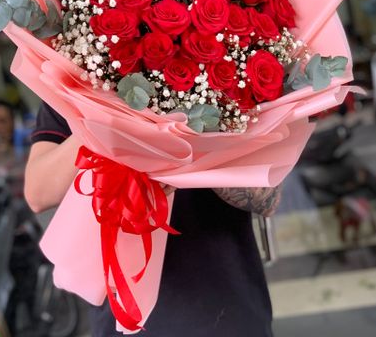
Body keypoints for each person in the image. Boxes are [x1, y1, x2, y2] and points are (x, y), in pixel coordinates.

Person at [26, 102, 282, 337]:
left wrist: (196, 137)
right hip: (124, 317)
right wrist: (104, 112)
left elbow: (267, 197)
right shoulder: (76, 79)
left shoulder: (230, 78)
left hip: (227, 306)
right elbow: (38, 193)